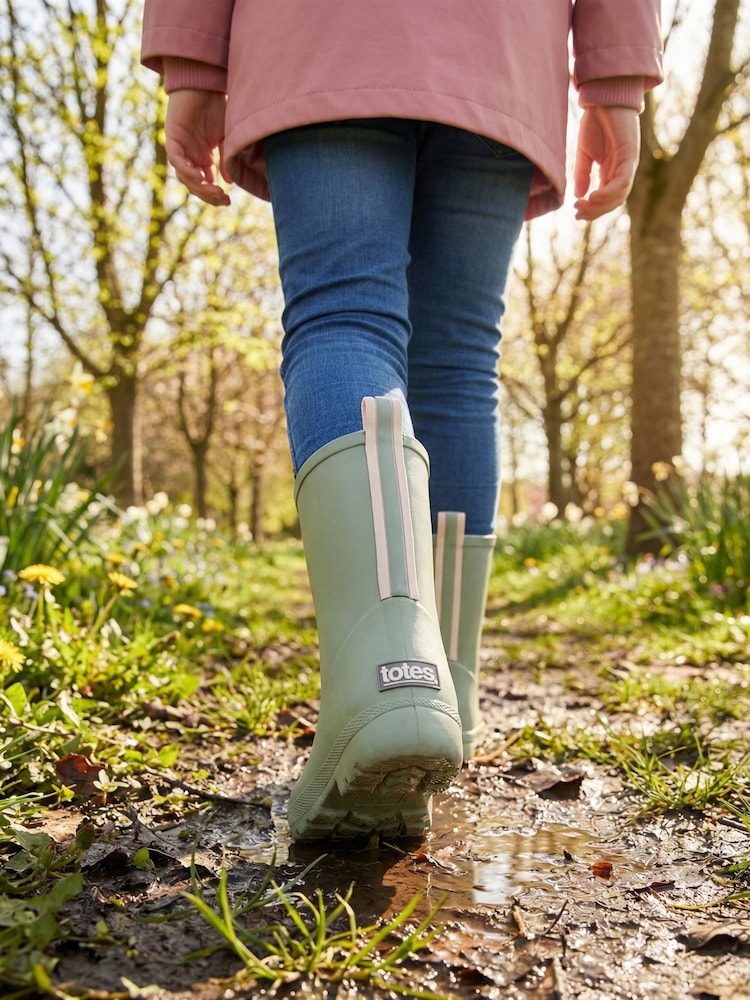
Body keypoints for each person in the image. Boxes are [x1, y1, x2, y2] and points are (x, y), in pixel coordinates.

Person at [141, 1, 663, 842]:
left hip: (320, 37)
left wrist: (192, 60)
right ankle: (441, 691)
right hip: (504, 45)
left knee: (345, 317)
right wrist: (617, 79)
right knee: (458, 364)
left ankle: (391, 682)